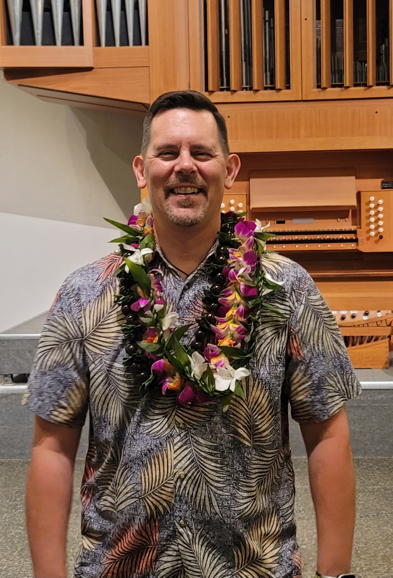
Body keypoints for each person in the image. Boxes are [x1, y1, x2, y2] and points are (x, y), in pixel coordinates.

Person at [25, 90, 360, 578]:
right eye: (168, 153)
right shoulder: (83, 294)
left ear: (230, 169)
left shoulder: (288, 288)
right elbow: (51, 445)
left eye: (202, 153)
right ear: (142, 170)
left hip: (253, 568)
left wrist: (336, 573)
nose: (185, 166)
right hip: (118, 567)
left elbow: (327, 430)